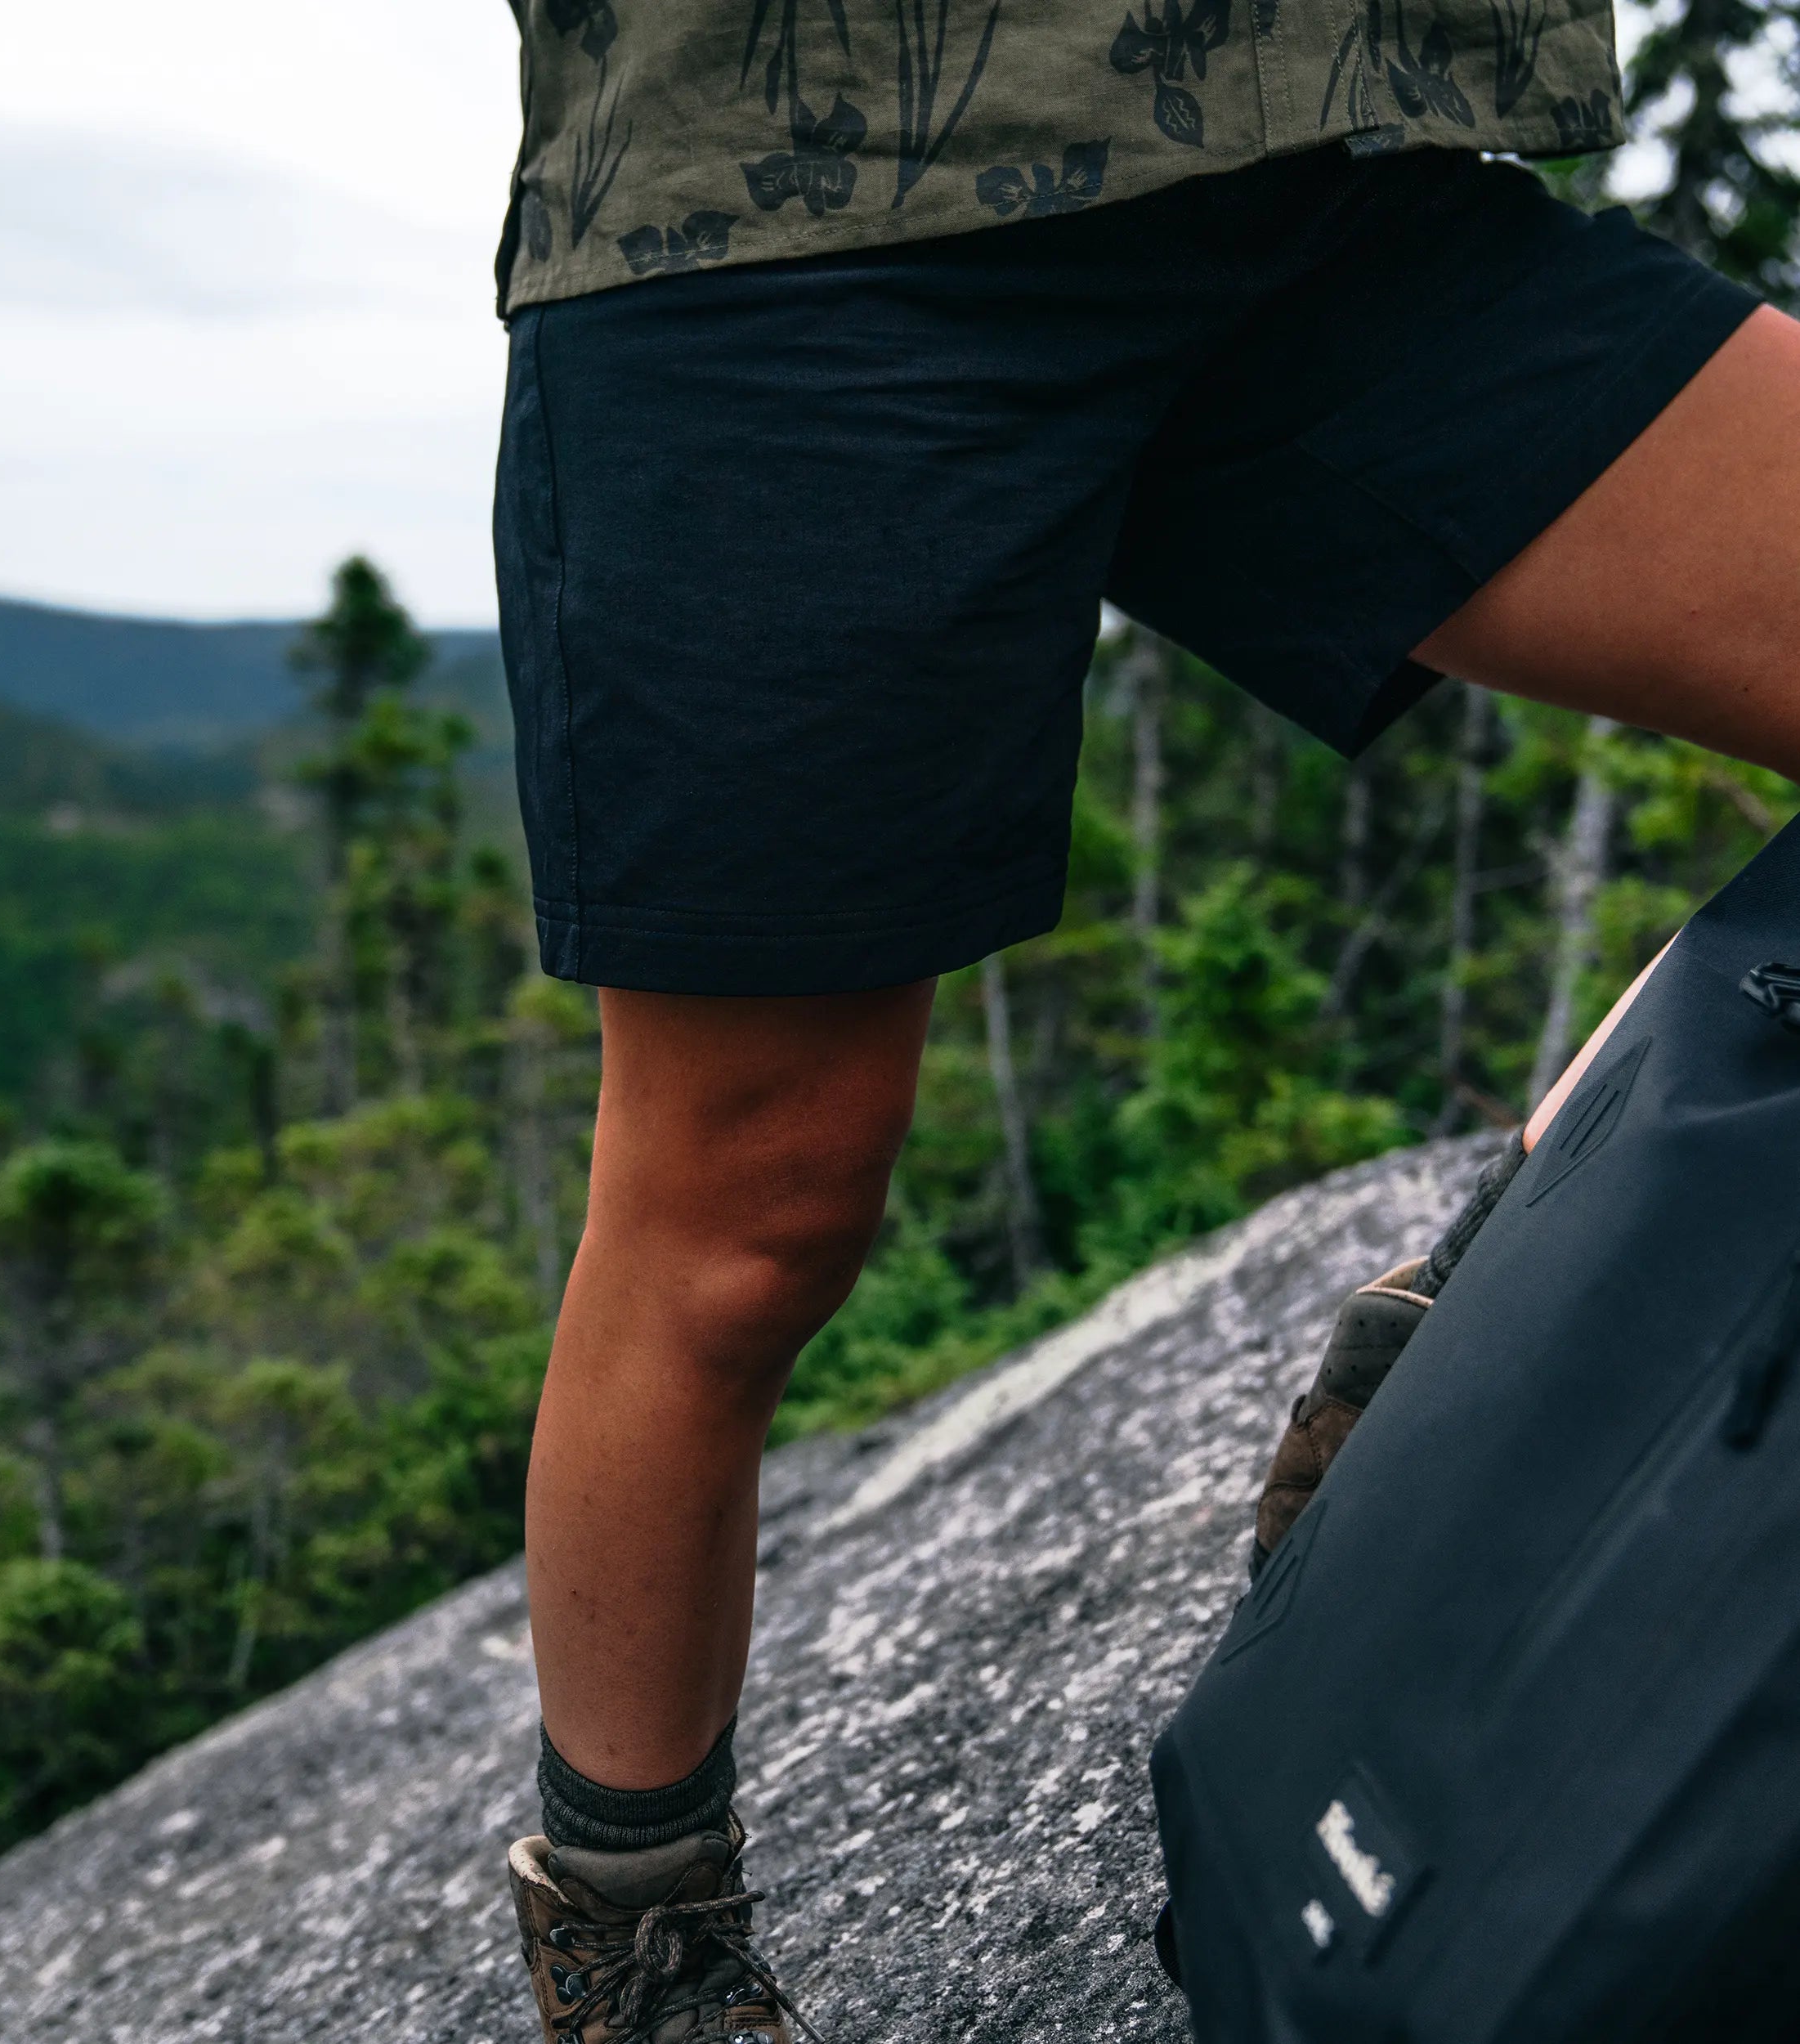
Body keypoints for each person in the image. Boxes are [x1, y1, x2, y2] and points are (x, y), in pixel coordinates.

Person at [487, 0, 1800, 2033]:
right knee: (747, 1207)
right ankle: (633, 1935)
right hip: (783, 227)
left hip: (1303, 166)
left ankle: (1511, 1295)